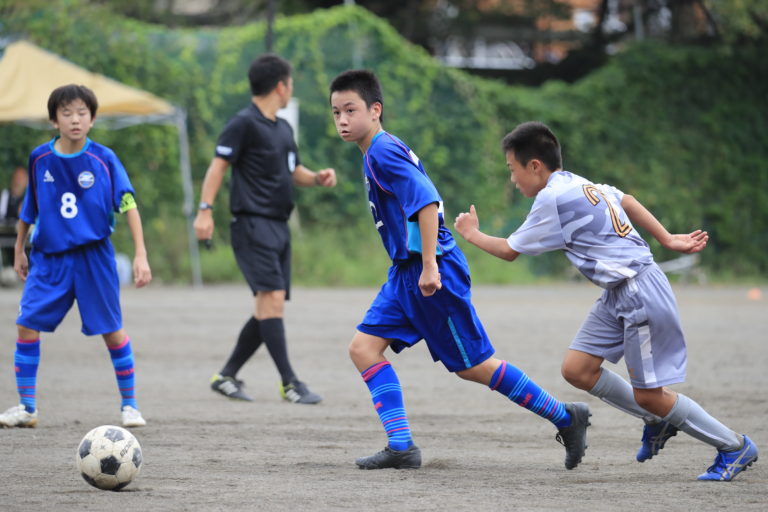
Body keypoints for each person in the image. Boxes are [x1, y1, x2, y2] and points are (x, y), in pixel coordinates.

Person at [453, 121, 758, 481]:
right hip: (618, 291)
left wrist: (471, 234)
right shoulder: (577, 183)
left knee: (650, 395)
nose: (512, 179)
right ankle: (656, 419)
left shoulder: (552, 198)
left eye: (512, 169)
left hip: (638, 290)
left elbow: (509, 250)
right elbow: (625, 200)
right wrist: (665, 238)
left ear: (534, 165)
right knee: (577, 369)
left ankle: (733, 445)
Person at [328, 70, 591, 471]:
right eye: (336, 113)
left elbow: (427, 203)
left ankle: (565, 416)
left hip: (431, 271)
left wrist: (429, 266)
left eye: (351, 110)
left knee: (473, 366)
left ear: (375, 110)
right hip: (405, 274)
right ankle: (401, 446)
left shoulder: (382, 151)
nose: (343, 120)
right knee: (362, 348)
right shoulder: (375, 152)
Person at [0, 84, 152, 429]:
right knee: (26, 325)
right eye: (66, 113)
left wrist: (141, 254)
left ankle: (130, 406)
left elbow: (129, 204)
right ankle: (27, 408)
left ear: (92, 119)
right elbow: (30, 209)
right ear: (54, 120)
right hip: (49, 257)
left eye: (82, 113)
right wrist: (19, 248)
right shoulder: (40, 158)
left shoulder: (104, 158)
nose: (75, 119)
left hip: (93, 257)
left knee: (112, 331)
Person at [194, 54, 336, 404]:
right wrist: (205, 212)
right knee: (271, 301)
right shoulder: (243, 124)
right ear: (280, 86)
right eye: (291, 84)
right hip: (252, 223)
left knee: (267, 307)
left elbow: (294, 170)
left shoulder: (283, 129)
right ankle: (290, 383)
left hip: (278, 226)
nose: (291, 90)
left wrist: (316, 178)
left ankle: (226, 375)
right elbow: (218, 167)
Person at [0, 166, 28, 272]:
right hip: (6, 232)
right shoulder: (5, 195)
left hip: (22, 234)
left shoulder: (27, 197)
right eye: (17, 178)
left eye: (21, 178)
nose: (18, 181)